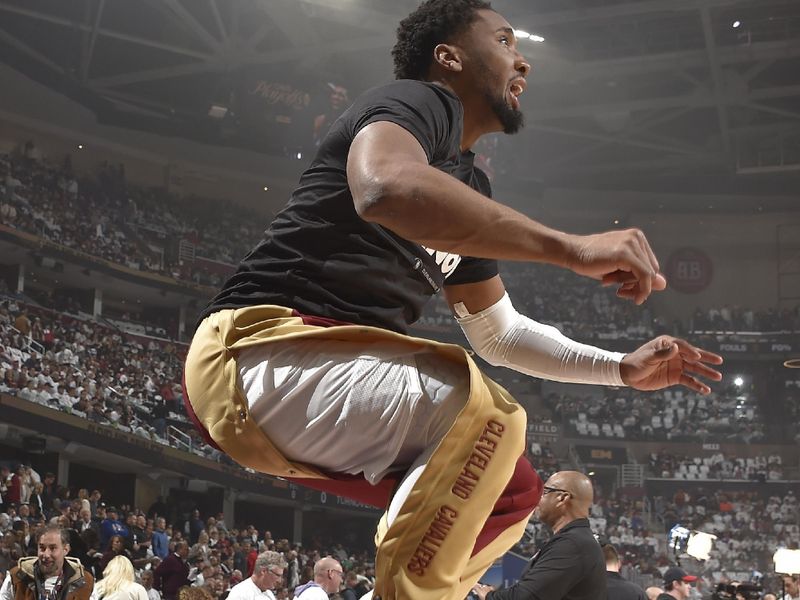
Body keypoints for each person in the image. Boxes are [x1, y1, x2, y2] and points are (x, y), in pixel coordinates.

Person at [183, 1, 723, 598]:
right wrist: (570, 248)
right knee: (487, 412)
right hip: (256, 351)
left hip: (304, 387)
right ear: (449, 56)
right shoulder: (419, 102)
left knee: (512, 494)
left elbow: (500, 335)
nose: (524, 61)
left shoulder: (467, 189)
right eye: (504, 40)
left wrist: (618, 369)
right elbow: (384, 187)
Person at [471, 471, 605, 600]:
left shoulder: (573, 544)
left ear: (562, 498)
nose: (538, 498)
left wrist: (489, 596)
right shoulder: (576, 540)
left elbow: (526, 597)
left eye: (544, 492)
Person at [0, 524, 94, 600]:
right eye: (42, 548)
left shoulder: (85, 582)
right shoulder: (17, 577)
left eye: (53, 548)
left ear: (65, 549)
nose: (46, 555)